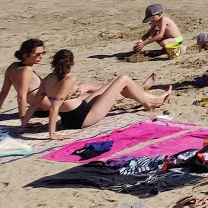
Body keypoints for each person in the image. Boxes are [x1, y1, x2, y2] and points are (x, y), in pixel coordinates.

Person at [21, 49, 169, 140]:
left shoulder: (47, 79)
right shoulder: (68, 79)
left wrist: (24, 123)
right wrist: (52, 134)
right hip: (83, 118)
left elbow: (34, 104)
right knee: (123, 79)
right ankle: (150, 102)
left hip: (74, 115)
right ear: (71, 63)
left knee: (114, 85)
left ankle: (145, 94)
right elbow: (54, 107)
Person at [0, 38, 46, 116]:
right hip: (47, 108)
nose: (41, 56)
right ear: (25, 55)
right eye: (37, 54)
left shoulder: (12, 67)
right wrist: (23, 119)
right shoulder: (27, 70)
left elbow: (3, 93)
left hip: (39, 107)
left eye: (43, 53)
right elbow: (21, 96)